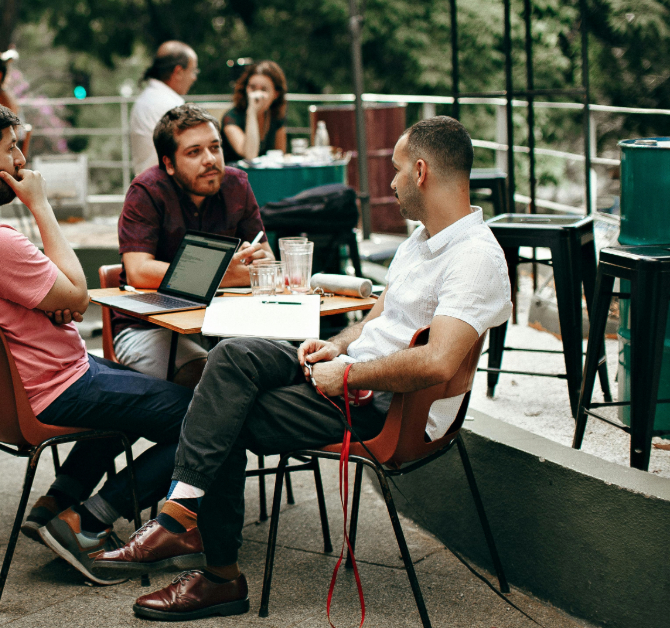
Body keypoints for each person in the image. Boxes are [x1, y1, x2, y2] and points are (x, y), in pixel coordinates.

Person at [93, 116, 512, 622]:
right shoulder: (420, 242)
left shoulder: (474, 257)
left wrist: (349, 375)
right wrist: (334, 347)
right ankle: (181, 513)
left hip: (387, 408)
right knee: (232, 356)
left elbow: (438, 360)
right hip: (352, 376)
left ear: (421, 172)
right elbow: (376, 321)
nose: (392, 181)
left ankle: (218, 575)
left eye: (398, 170)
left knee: (226, 412)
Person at [0, 94, 192, 586]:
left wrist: (54, 299)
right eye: (11, 148)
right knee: (200, 416)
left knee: (134, 385)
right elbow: (78, 295)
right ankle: (87, 523)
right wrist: (41, 205)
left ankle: (56, 501)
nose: (22, 161)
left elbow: (54, 298)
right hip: (49, 389)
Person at [114, 104, 272, 386]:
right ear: (169, 164)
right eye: (194, 152)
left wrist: (254, 266)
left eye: (215, 147)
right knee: (213, 382)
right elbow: (138, 271)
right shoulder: (146, 191)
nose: (210, 159)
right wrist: (223, 275)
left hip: (221, 322)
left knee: (279, 366)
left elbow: (266, 263)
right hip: (149, 327)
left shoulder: (237, 185)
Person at [130, 41, 198, 174]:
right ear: (178, 72)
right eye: (193, 71)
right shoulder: (171, 105)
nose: (194, 78)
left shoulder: (146, 98)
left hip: (146, 180)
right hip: (164, 183)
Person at [220, 61, 289, 163]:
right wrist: (252, 111)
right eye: (252, 88)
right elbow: (250, 155)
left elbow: (280, 156)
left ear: (275, 94)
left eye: (264, 90)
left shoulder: (276, 117)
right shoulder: (231, 117)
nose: (257, 95)